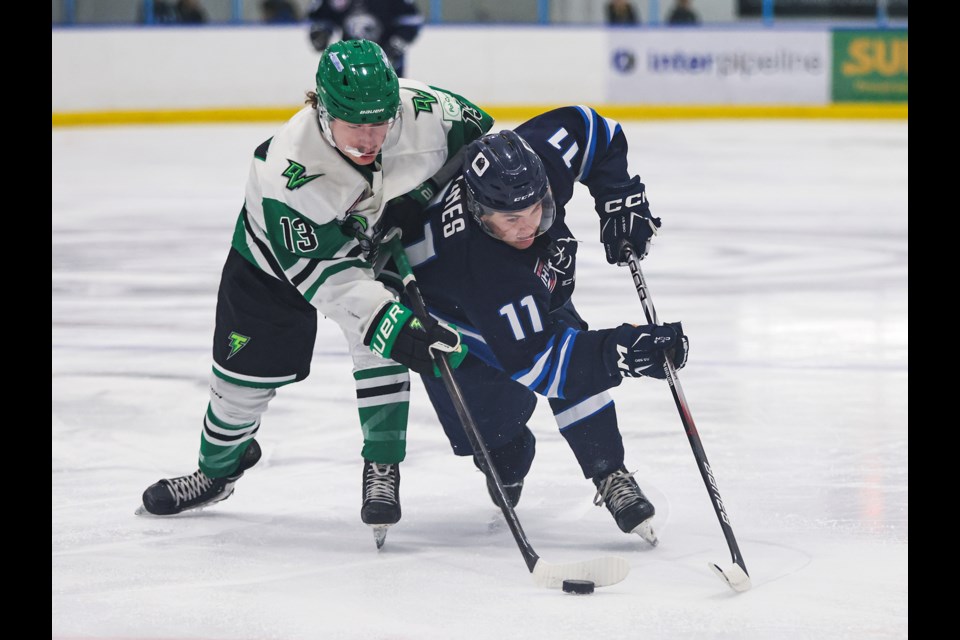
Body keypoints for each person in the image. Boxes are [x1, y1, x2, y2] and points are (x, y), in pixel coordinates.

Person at [137, 40, 494, 549]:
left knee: (382, 349)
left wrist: (420, 196)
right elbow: (330, 280)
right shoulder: (288, 171)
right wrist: (389, 323)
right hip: (275, 268)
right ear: (321, 110)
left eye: (381, 122)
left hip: (379, 248)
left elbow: (480, 144)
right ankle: (216, 472)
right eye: (356, 125)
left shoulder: (422, 108)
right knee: (239, 388)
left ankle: (382, 466)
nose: (372, 138)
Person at [386, 108, 689, 544]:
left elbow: (591, 128)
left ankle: (609, 470)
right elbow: (547, 365)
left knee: (573, 340)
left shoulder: (532, 164)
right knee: (503, 449)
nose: (529, 225)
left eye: (537, 207)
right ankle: (503, 453)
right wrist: (627, 350)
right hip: (453, 320)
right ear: (478, 211)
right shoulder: (484, 270)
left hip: (530, 293)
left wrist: (619, 195)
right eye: (511, 220)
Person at [307, 0, 423, 77]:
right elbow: (322, 16)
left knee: (392, 102)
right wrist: (321, 31)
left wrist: (399, 41)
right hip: (349, 61)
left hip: (387, 61)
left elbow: (411, 19)